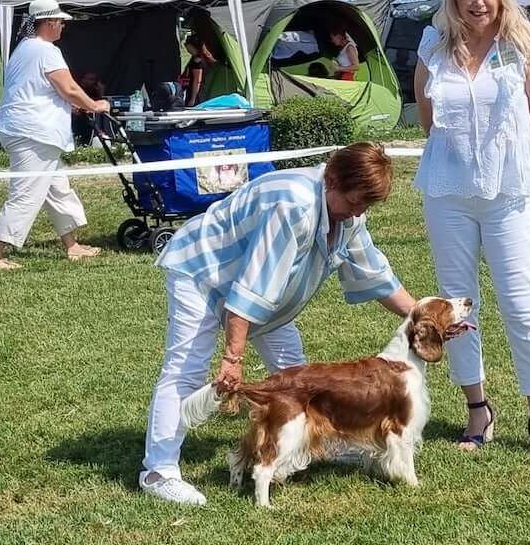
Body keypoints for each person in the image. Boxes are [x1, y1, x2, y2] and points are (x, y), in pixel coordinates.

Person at [139, 143, 431, 506]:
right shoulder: (293, 204)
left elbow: (376, 276)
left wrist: (424, 316)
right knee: (186, 369)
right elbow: (252, 287)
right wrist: (233, 357)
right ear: (333, 180)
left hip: (268, 295)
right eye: (355, 202)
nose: (358, 212)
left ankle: (320, 441)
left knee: (295, 374)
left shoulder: (349, 216)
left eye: (365, 206)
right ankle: (159, 471)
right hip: (203, 272)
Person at [413, 0, 530, 460]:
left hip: (509, 194)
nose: (478, 2)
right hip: (448, 194)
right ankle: (478, 408)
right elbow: (428, 121)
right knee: (455, 304)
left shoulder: (525, 48)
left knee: (522, 304)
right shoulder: (432, 47)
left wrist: (500, 157)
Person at [0, 0, 111, 270]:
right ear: (50, 22)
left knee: (57, 188)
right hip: (33, 133)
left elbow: (39, 90)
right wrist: (95, 105)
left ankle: (72, 245)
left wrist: (72, 106)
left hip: (25, 130)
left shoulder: (24, 49)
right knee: (26, 193)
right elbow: (70, 89)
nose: (63, 26)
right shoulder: (46, 50)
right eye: (60, 21)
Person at [181, 33, 217, 107]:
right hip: (200, 91)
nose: (187, 49)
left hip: (196, 93)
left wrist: (193, 99)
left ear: (194, 47)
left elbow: (197, 81)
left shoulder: (197, 61)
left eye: (188, 47)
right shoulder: (203, 58)